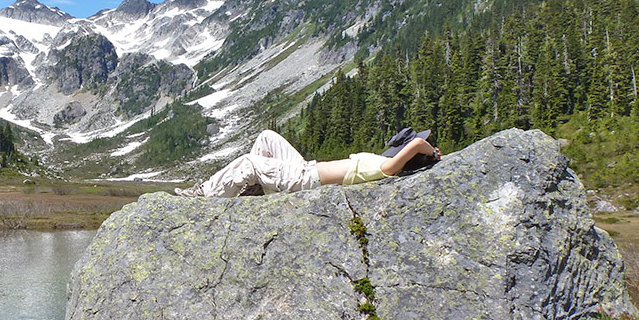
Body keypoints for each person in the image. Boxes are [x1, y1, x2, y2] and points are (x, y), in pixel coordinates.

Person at [175, 129, 440, 198]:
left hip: (305, 180)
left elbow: (416, 146)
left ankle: (206, 195)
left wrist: (431, 153)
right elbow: (414, 146)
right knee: (266, 138)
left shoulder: (387, 168)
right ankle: (253, 190)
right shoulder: (383, 163)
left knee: (248, 163)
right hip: (306, 169)